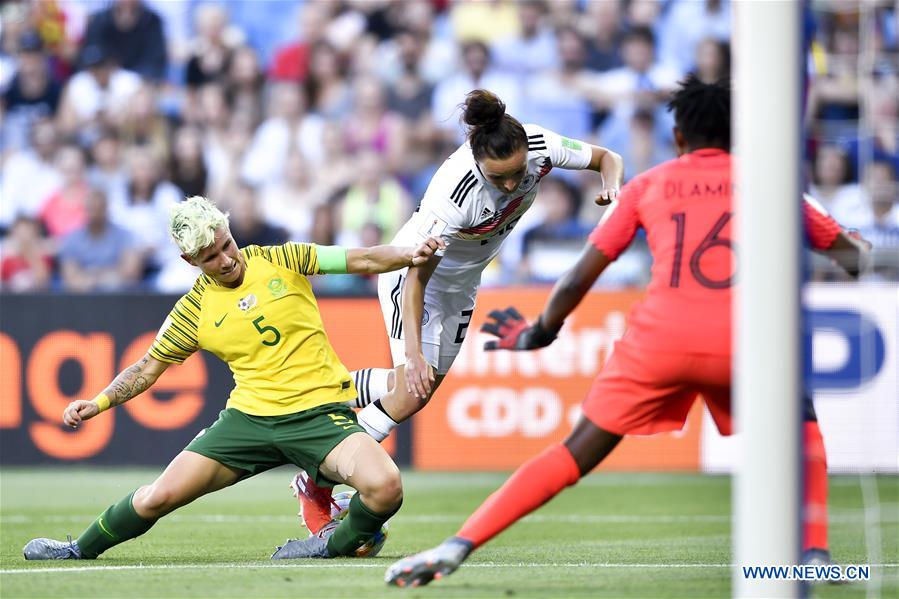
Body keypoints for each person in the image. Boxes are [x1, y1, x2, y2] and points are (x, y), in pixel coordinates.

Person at [383, 76, 872, 587]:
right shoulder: (769, 182)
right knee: (801, 418)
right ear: (735, 136)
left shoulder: (649, 184)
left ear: (679, 138)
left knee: (572, 454)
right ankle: (814, 552)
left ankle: (457, 546)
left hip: (659, 340)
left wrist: (539, 332)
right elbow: (850, 254)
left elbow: (579, 276)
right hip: (743, 340)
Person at [23, 195, 444, 561]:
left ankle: (329, 544)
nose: (226, 260)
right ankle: (79, 547)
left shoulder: (282, 258)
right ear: (190, 262)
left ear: (229, 229)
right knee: (158, 497)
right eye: (210, 257)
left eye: (226, 244)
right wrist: (97, 403)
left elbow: (364, 258)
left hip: (319, 418)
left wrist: (412, 253)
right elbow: (146, 369)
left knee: (387, 487)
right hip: (249, 423)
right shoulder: (193, 311)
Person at [291, 89, 623, 535]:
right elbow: (415, 278)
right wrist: (412, 354)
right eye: (498, 177)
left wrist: (610, 188)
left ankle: (319, 392)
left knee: (416, 389)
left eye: (517, 174)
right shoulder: (453, 194)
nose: (510, 186)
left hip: (462, 288)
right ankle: (316, 480)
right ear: (478, 161)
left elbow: (608, 157)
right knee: (411, 388)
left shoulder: (540, 145)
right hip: (414, 282)